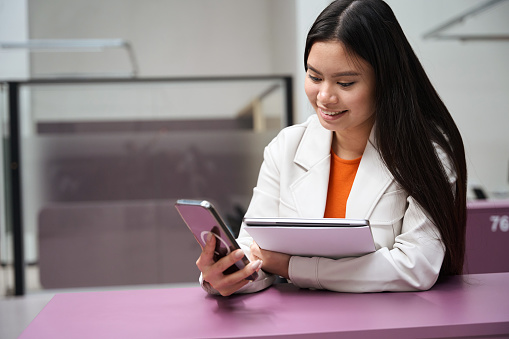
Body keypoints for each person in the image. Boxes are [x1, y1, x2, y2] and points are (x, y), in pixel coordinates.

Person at [196, 0, 467, 296]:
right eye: (314, 77)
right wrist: (227, 274)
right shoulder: (287, 147)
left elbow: (416, 265)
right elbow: (254, 248)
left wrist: (292, 267)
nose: (324, 97)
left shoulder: (428, 155)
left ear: (386, 81)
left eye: (345, 83)